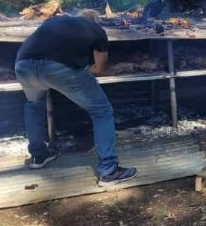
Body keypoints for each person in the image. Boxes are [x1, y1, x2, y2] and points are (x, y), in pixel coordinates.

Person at [14, 10, 137, 187]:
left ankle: (39, 155)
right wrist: (83, 68)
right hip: (57, 70)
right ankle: (108, 171)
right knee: (102, 111)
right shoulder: (96, 30)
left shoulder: (54, 21)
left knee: (34, 104)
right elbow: (100, 68)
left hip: (23, 65)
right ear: (96, 21)